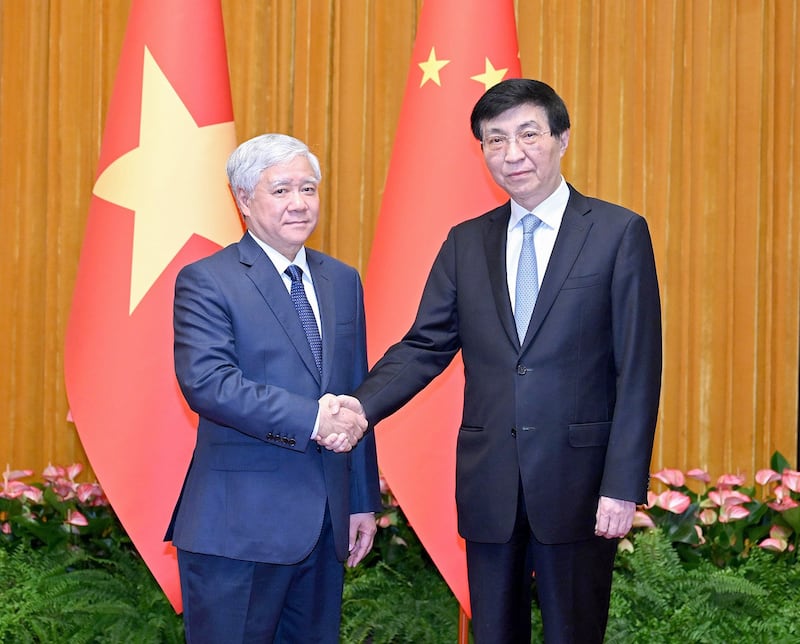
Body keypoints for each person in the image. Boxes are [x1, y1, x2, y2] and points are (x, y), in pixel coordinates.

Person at [344, 79, 662, 643]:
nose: (512, 153)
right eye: (495, 140)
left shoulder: (618, 233)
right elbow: (424, 346)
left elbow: (639, 369)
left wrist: (622, 484)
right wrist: (357, 408)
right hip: (490, 483)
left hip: (580, 485)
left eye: (528, 135)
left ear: (562, 138)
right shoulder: (466, 242)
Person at [165, 133, 382, 643]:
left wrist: (360, 499)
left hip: (325, 527)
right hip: (237, 530)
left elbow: (356, 392)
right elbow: (209, 383)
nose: (299, 203)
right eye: (281, 190)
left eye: (308, 189)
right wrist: (313, 419)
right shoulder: (207, 279)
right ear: (243, 200)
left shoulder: (342, 280)